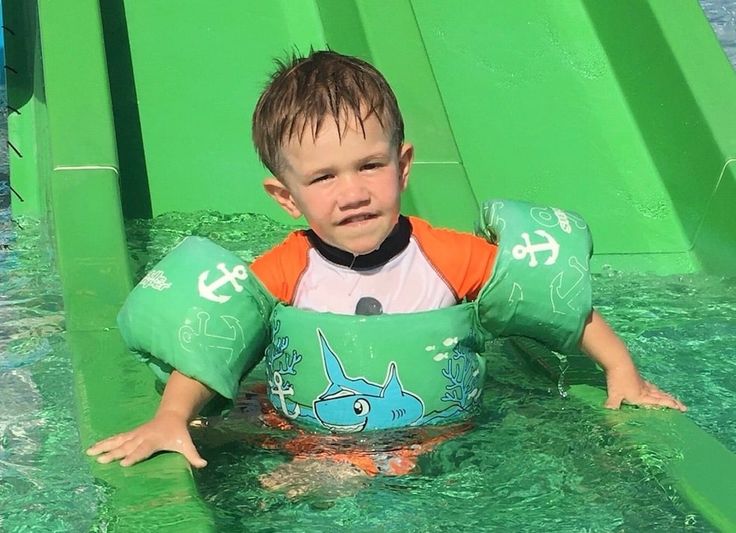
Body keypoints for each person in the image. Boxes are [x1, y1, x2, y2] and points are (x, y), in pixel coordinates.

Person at [86, 50, 686, 472]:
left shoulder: (450, 256)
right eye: (323, 177)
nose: (353, 192)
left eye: (370, 165)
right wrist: (171, 416)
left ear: (403, 165)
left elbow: (555, 300)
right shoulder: (284, 270)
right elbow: (212, 343)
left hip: (443, 434)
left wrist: (620, 371)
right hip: (313, 436)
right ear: (286, 197)